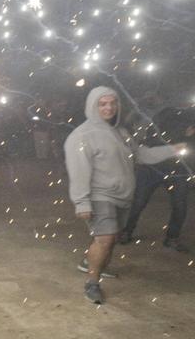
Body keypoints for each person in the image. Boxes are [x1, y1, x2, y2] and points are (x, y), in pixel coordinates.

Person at [65, 87, 183, 305]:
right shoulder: (82, 136)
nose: (108, 107)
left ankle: (91, 263)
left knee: (110, 240)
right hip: (99, 195)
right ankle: (92, 282)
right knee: (106, 238)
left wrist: (172, 150)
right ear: (92, 106)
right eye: (102, 104)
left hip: (122, 196)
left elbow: (141, 154)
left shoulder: (121, 132)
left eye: (112, 103)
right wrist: (81, 201)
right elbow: (78, 170)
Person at [119, 107, 195, 252]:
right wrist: (174, 145)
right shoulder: (161, 115)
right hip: (151, 166)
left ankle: (172, 238)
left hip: (178, 168)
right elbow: (147, 144)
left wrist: (187, 140)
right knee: (139, 201)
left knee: (180, 204)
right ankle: (126, 231)